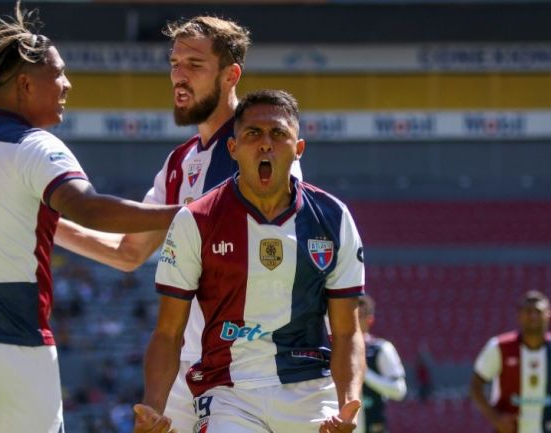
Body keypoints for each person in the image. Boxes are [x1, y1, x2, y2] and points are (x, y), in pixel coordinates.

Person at [0, 2, 179, 432]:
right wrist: (191, 212)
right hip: (11, 343)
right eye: (57, 73)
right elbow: (90, 207)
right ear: (24, 83)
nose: (67, 84)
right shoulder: (34, 145)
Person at [53, 16, 302, 433]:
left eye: (194, 64)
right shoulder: (179, 164)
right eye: (174, 63)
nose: (179, 76)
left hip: (252, 366)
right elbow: (128, 252)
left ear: (230, 75)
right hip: (189, 366)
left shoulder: (263, 143)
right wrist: (48, 224)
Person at [133, 89, 365, 433]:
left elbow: (347, 331)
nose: (266, 144)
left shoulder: (334, 218)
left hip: (310, 392)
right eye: (253, 134)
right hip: (229, 391)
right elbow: (168, 332)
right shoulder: (195, 220)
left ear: (298, 149)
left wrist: (348, 403)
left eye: (278, 134)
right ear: (233, 148)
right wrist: (153, 406)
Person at [470, 290, 551, 433]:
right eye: (528, 311)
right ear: (519, 316)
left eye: (538, 311)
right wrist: (496, 418)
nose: (533, 316)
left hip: (550, 427)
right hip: (511, 428)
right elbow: (475, 386)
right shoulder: (499, 347)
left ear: (549, 315)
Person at [357, 295, 406, 433]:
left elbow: (399, 390)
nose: (354, 320)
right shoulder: (334, 349)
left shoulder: (381, 349)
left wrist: (365, 374)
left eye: (359, 315)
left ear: (370, 320)